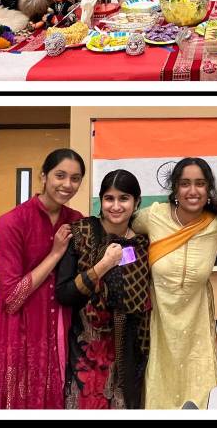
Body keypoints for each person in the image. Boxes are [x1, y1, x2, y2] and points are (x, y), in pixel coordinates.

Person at [0, 149, 86, 409]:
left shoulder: (77, 221)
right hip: (14, 326)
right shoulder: (11, 222)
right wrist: (56, 253)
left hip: (57, 322)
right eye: (60, 175)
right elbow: (12, 297)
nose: (67, 185)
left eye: (75, 178)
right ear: (43, 176)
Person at [131, 158, 217, 409]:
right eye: (185, 184)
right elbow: (121, 228)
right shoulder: (153, 217)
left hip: (198, 333)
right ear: (175, 188)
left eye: (200, 184)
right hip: (160, 327)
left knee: (201, 396)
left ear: (208, 189)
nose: (192, 191)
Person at [55, 169, 150, 409]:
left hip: (128, 349)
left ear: (136, 202)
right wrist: (103, 266)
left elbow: (144, 301)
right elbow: (64, 293)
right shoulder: (81, 234)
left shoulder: (141, 244)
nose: (116, 206)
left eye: (124, 198)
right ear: (101, 200)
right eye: (109, 198)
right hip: (86, 347)